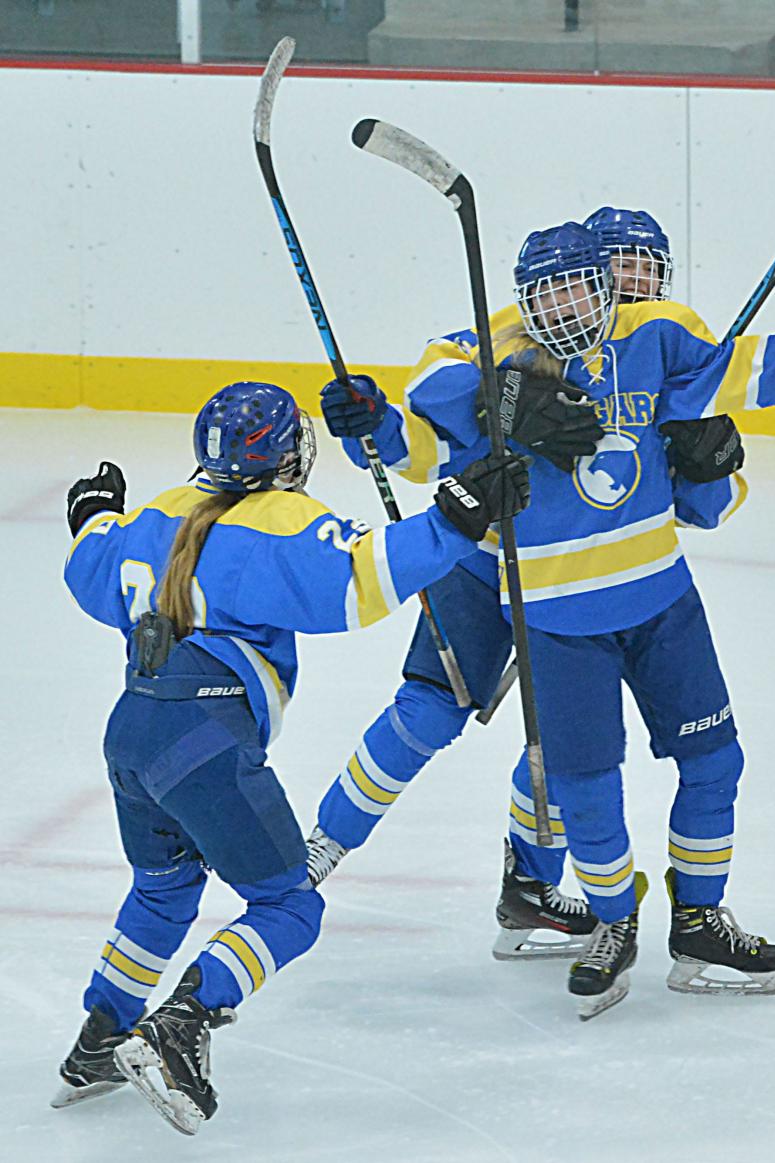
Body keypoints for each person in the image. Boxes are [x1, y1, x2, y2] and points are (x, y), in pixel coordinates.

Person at [312, 219, 775, 1019]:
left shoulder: (660, 341)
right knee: (462, 726)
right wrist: (396, 415)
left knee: (683, 759)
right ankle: (333, 850)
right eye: (600, 277)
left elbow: (732, 416)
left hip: (641, 590)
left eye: (628, 278)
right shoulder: (493, 353)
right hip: (505, 571)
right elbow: (422, 435)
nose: (600, 295)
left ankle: (656, 910)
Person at [51, 381, 529, 1133]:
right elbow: (360, 579)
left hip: (132, 731)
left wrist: (92, 516)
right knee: (288, 905)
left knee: (163, 888)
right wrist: (453, 520)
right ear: (287, 454)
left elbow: (91, 568)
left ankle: (99, 1037)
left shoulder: (159, 511)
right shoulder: (275, 522)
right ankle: (182, 1020)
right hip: (203, 741)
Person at [304, 209, 733, 960]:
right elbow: (435, 404)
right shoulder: (523, 337)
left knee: (562, 742)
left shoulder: (660, 358)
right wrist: (490, 400)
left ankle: (530, 883)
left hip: (574, 581)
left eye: (648, 270)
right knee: (429, 710)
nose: (635, 283)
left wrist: (710, 463)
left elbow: (708, 508)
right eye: (620, 266)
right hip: (485, 561)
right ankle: (319, 848)